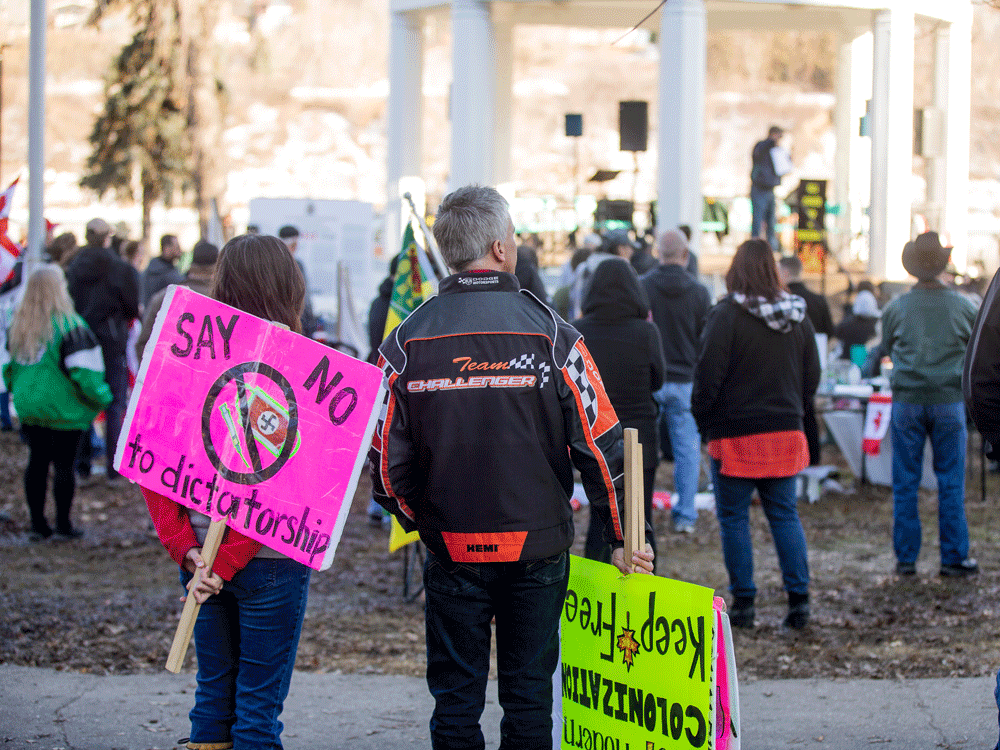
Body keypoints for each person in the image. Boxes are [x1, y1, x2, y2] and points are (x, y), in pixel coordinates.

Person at [369, 185, 653, 750]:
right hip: (538, 547)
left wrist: (425, 521)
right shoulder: (553, 335)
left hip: (452, 546)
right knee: (528, 697)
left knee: (455, 701)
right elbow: (603, 447)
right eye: (516, 235)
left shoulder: (405, 341)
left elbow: (380, 466)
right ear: (500, 247)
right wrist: (624, 538)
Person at [143, 234, 312, 750]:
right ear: (289, 285)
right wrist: (207, 558)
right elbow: (286, 485)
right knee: (256, 709)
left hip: (204, 554)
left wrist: (189, 550)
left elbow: (156, 463)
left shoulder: (187, 354)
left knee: (214, 696)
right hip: (264, 559)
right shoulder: (305, 367)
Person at [692, 238, 820, 630]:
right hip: (784, 432)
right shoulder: (799, 317)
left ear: (736, 270)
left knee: (733, 520)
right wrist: (793, 408)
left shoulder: (726, 316)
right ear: (774, 271)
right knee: (784, 515)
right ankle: (799, 601)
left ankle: (744, 603)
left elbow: (707, 377)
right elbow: (812, 377)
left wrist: (704, 423)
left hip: (734, 437)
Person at [881, 231, 978, 578]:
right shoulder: (964, 306)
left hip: (908, 400)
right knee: (950, 481)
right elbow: (978, 348)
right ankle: (953, 557)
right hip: (948, 399)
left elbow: (886, 348)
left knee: (905, 482)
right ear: (942, 265)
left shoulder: (897, 307)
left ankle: (906, 559)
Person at [3, 265, 112, 541]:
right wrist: (103, 398)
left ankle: (37, 525)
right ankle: (63, 525)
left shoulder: (19, 325)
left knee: (36, 463)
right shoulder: (70, 326)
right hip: (65, 410)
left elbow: (8, 368)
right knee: (65, 466)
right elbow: (86, 373)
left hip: (30, 408)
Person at [576, 257, 665, 569]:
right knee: (641, 519)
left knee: (602, 520)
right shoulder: (646, 332)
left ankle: (596, 600)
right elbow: (658, 381)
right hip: (641, 437)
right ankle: (645, 598)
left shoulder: (578, 331)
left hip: (595, 438)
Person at [641, 229, 711, 534]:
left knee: (643, 451)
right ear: (685, 255)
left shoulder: (643, 287)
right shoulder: (699, 292)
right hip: (685, 379)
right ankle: (685, 515)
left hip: (650, 380)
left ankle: (640, 516)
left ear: (659, 253)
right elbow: (705, 339)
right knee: (687, 451)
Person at [66, 218, 140, 486]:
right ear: (107, 237)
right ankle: (113, 469)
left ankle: (83, 466)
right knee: (115, 402)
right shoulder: (120, 268)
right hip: (110, 340)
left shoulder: (74, 267)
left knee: (85, 398)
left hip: (80, 340)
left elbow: (68, 302)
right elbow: (132, 305)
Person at [777, 254, 832, 466]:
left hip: (788, 364)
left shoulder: (783, 303)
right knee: (808, 414)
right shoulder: (817, 300)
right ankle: (812, 459)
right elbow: (829, 330)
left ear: (786, 273)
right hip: (812, 364)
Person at [136, 240, 219, 362]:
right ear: (217, 267)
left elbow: (143, 344)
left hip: (167, 376)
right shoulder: (225, 301)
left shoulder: (163, 298)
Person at [750, 125, 792, 251]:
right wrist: (771, 142)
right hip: (759, 189)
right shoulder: (762, 146)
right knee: (758, 220)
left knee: (771, 221)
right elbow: (758, 153)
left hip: (770, 189)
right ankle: (754, 247)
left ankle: (770, 249)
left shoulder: (776, 150)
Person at [278, 225, 318, 338]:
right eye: (293, 244)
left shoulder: (297, 264)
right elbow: (304, 296)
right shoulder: (293, 265)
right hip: (294, 322)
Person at [833, 288, 880, 361]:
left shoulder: (847, 324)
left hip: (850, 361)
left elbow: (836, 332)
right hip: (860, 361)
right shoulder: (875, 324)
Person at [142, 234, 184, 304]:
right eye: (176, 246)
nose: (179, 249)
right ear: (166, 248)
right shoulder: (157, 272)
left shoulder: (168, 269)